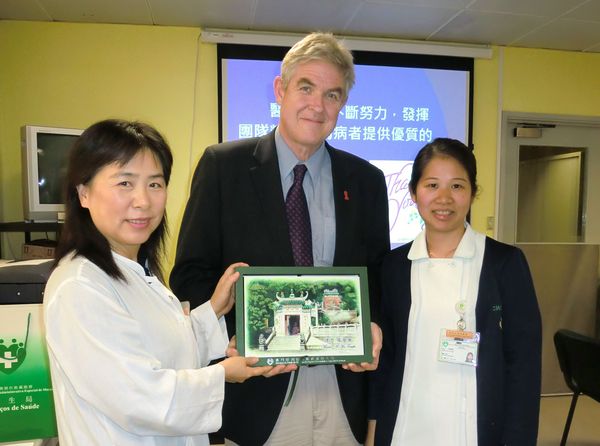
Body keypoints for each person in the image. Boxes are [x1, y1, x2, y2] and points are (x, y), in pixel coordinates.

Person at [170, 32, 390, 445]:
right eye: (306, 88)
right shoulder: (224, 167)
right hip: (258, 388)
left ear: (342, 103)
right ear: (280, 90)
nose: (317, 105)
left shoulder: (366, 181)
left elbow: (377, 276)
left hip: (341, 390)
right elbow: (190, 274)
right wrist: (230, 337)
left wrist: (373, 324)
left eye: (332, 94)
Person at [44, 119, 284, 446]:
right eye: (125, 183)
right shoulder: (80, 286)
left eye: (155, 184)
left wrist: (213, 310)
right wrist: (224, 374)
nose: (143, 201)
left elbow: (161, 349)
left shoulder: (135, 270)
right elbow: (138, 397)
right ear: (83, 193)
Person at [369, 138, 542, 445]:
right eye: (432, 185)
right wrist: (373, 430)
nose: (444, 198)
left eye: (457, 186)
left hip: (472, 429)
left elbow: (523, 366)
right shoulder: (394, 266)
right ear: (413, 192)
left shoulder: (504, 263)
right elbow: (387, 359)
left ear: (473, 193)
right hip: (406, 427)